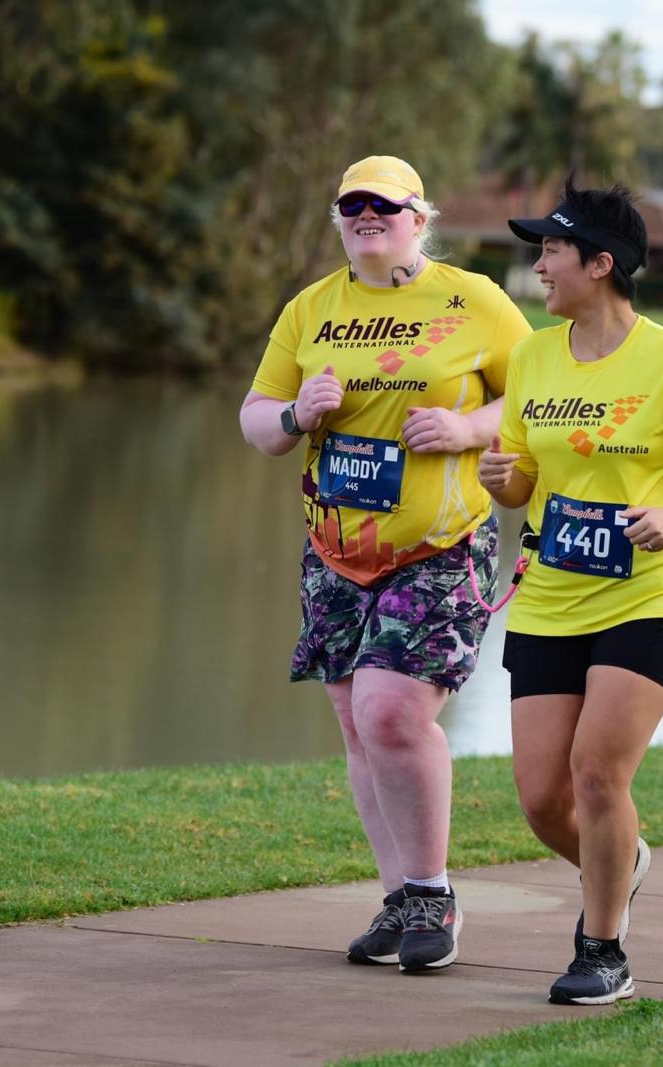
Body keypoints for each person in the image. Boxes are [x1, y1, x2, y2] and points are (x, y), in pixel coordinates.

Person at [241, 155, 530, 973]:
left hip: (440, 545)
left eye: (385, 205)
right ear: (337, 219)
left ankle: (434, 893)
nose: (368, 215)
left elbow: (535, 395)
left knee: (393, 711)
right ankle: (401, 898)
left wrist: (470, 430)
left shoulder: (473, 299)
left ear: (419, 217)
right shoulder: (312, 308)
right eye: (352, 205)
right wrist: (298, 411)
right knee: (356, 721)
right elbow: (257, 419)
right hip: (336, 548)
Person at [477, 178, 663, 1005]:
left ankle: (603, 948)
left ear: (601, 264)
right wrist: (504, 476)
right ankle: (623, 860)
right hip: (550, 599)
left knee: (598, 774)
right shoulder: (531, 355)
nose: (539, 268)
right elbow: (523, 485)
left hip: (646, 601)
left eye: (552, 251)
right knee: (541, 797)